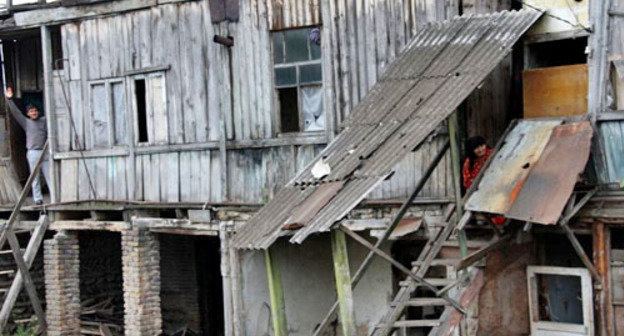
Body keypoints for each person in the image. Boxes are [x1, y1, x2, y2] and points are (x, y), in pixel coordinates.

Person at [4, 87, 49, 205]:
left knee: (50, 175)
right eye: (31, 112)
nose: (33, 113)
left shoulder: (44, 120)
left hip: (45, 151)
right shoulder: (26, 122)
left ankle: (54, 197)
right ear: (28, 114)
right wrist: (9, 99)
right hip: (33, 152)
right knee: (35, 177)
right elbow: (15, 112)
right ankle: (38, 199)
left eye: (35, 111)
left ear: (38, 111)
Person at [462, 136, 505, 226]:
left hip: (497, 187)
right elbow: (467, 180)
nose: (480, 149)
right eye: (476, 148)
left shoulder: (494, 154)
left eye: (482, 145)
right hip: (479, 190)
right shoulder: (469, 162)